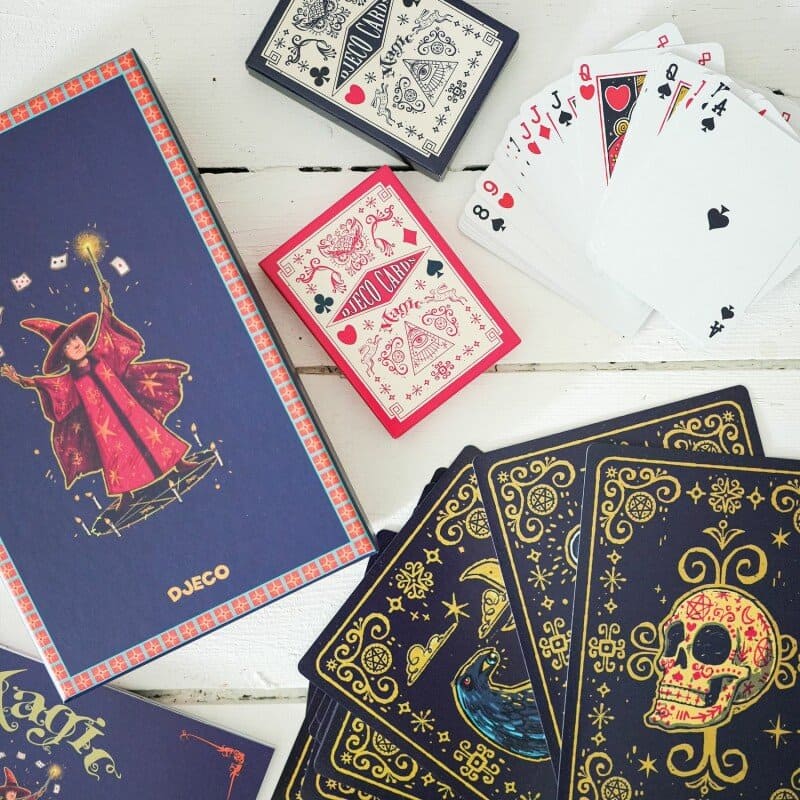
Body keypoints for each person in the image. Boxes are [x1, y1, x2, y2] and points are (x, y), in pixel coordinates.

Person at [1, 279, 194, 513]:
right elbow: (44, 384)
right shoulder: (69, 380)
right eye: (67, 344)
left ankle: (178, 463)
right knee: (114, 455)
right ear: (63, 355)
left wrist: (105, 296)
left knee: (151, 432)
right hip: (104, 426)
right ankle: (125, 494)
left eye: (75, 338)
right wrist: (19, 379)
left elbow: (106, 324)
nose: (75, 344)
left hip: (130, 409)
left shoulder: (101, 353)